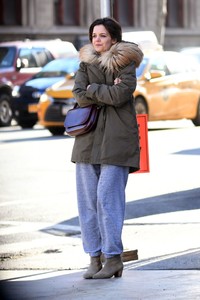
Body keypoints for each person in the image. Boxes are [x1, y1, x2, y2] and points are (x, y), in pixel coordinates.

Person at [71, 17, 143, 279]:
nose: (97, 40)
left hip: (117, 141)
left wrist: (93, 88)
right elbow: (79, 94)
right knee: (88, 203)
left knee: (107, 201)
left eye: (102, 35)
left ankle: (113, 258)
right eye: (93, 36)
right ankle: (94, 257)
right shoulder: (84, 64)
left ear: (114, 38)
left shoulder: (126, 63)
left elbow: (119, 95)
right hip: (87, 141)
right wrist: (98, 89)